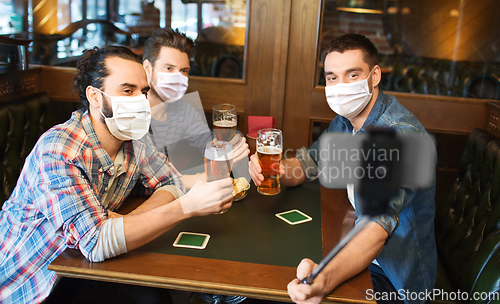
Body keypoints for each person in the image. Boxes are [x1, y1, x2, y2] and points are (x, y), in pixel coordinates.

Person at [0, 45, 234, 303]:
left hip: (82, 266)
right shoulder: (59, 150)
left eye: (143, 91)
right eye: (127, 90)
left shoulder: (134, 138)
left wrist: (124, 223)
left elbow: (171, 181)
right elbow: (96, 242)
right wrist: (186, 207)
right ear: (95, 96)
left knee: (155, 297)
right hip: (33, 281)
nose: (140, 101)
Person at [249, 34, 436, 304]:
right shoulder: (346, 120)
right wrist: (272, 168)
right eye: (332, 77)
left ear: (374, 76)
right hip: (352, 243)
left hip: (392, 278)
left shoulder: (400, 137)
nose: (341, 86)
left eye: (352, 74)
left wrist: (323, 280)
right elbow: (307, 165)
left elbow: (375, 226)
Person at [142, 28, 248, 174]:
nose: (178, 78)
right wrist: (194, 180)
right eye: (168, 68)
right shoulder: (130, 112)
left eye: (184, 71)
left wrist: (233, 148)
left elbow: (208, 144)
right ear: (148, 68)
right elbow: (138, 177)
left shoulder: (184, 110)